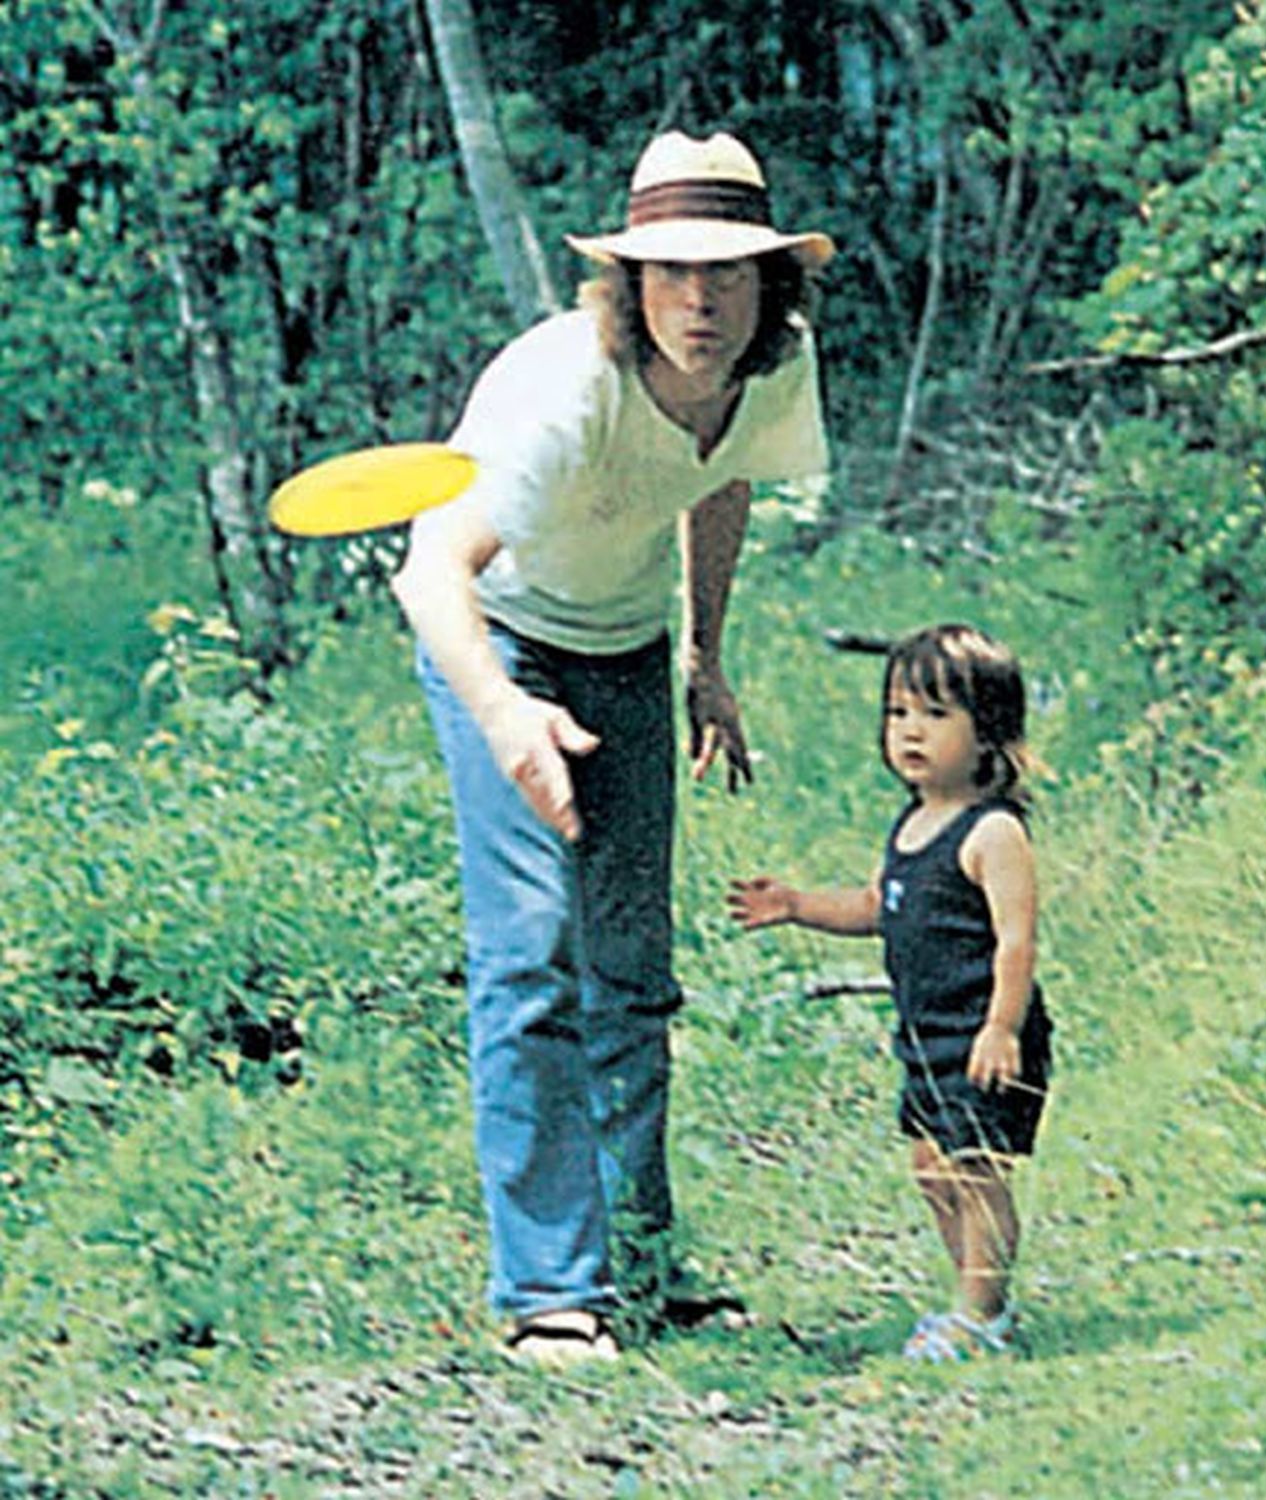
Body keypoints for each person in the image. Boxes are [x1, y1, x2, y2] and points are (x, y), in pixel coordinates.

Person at [392, 131, 835, 1365]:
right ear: (630, 285)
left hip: (630, 646)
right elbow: (431, 573)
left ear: (771, 287)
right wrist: (506, 717)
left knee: (632, 966)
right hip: (502, 645)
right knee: (535, 952)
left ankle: (638, 1267)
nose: (702, 302)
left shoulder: (776, 367)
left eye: (731, 276)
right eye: (674, 275)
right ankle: (550, 1293)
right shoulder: (565, 388)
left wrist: (707, 657)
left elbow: (724, 480)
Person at [728, 624, 1053, 1360]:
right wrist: (798, 904)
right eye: (899, 713)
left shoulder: (992, 832)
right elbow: (879, 908)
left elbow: (1017, 940)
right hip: (925, 1038)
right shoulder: (912, 823)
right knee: (933, 1170)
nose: (911, 732)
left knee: (976, 1170)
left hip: (981, 1037)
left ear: (988, 733)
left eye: (936, 716)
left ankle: (984, 1314)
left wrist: (1001, 1028)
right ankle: (969, 1298)